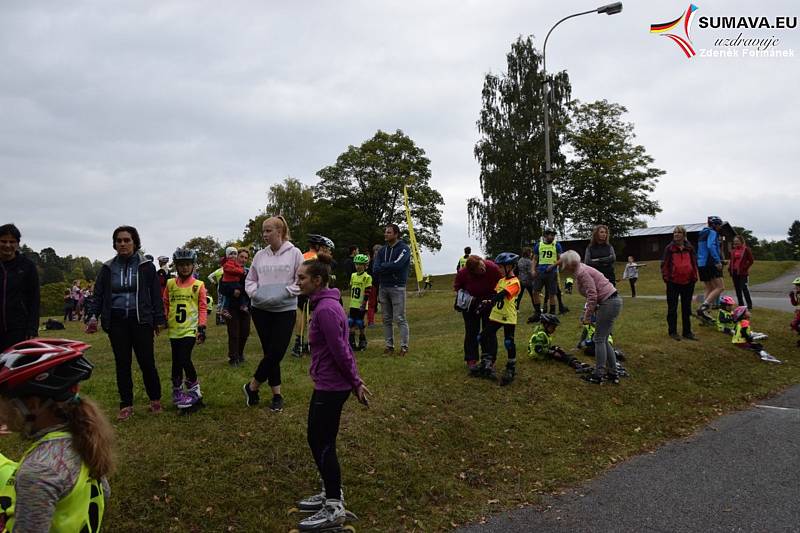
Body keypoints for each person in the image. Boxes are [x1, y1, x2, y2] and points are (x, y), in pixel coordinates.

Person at [0, 338, 113, 531]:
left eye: (3, 401)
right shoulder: (82, 437)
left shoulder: (38, 471)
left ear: (33, 404)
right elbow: (105, 493)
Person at [293, 253, 370, 531]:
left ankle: (334, 505)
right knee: (318, 439)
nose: (298, 281)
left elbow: (341, 350)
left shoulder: (325, 309)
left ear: (318, 280)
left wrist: (355, 382)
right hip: (327, 383)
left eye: (302, 277)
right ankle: (329, 492)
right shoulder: (325, 303)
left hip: (332, 386)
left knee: (321, 441)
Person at [85, 225, 165, 420]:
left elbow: (156, 295)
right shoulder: (107, 268)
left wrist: (159, 319)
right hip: (117, 321)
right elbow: (98, 294)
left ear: (135, 242)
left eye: (127, 240)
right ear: (114, 244)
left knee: (147, 362)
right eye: (119, 240)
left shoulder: (147, 266)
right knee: (122, 363)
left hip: (141, 320)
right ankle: (126, 404)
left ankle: (155, 399)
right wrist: (92, 316)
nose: (123, 243)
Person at [243, 216, 303, 412]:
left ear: (280, 231)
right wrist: (254, 293)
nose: (265, 234)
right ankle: (277, 395)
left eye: (268, 230)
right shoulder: (260, 255)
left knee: (277, 351)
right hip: (260, 310)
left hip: (284, 309)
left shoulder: (295, 253)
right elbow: (250, 279)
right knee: (270, 352)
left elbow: (300, 280)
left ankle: (252, 386)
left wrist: (285, 293)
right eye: (263, 231)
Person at [558, 250, 622, 384]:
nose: (564, 267)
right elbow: (593, 294)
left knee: (599, 339)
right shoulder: (581, 270)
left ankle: (598, 375)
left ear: (570, 263)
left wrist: (587, 315)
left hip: (608, 302)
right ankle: (612, 373)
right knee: (603, 339)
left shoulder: (581, 272)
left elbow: (592, 295)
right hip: (612, 301)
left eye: (565, 263)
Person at [163, 248, 207, 411]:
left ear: (193, 266)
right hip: (174, 330)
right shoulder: (170, 284)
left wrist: (201, 327)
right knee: (176, 361)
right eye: (181, 265)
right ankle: (177, 391)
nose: (184, 268)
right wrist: (165, 318)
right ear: (176, 266)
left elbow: (202, 307)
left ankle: (195, 391)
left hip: (190, 330)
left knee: (184, 359)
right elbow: (166, 302)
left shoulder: (198, 285)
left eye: (188, 264)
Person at [470, 252, 520, 386]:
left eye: (500, 267)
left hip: (508, 317)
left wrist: (491, 301)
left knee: (509, 342)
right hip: (496, 315)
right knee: (482, 337)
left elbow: (502, 295)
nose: (498, 269)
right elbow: (495, 293)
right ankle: (486, 362)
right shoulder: (501, 281)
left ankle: (511, 367)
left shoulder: (515, 283)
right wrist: (486, 301)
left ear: (509, 266)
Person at [453, 255, 502, 369]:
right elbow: (457, 287)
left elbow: (502, 282)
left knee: (489, 331)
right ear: (472, 271)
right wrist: (464, 297)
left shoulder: (492, 267)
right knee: (471, 331)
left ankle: (489, 358)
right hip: (471, 305)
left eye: (482, 265)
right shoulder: (463, 273)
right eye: (479, 268)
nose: (483, 268)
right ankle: (471, 359)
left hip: (489, 302)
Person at [0, 224, 40, 353]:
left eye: (12, 241)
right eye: (3, 241)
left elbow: (34, 299)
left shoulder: (27, 266)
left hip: (18, 328)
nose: (7, 245)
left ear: (17, 243)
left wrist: (32, 328)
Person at [292, 235, 334, 357]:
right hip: (312, 290)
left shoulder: (303, 255)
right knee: (312, 317)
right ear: (318, 246)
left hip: (301, 289)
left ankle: (298, 343)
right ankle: (311, 342)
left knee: (301, 315)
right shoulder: (317, 259)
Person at [373, 224, 411, 356]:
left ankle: (404, 347)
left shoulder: (404, 249)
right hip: (383, 287)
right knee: (386, 319)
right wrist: (387, 267)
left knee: (400, 318)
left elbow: (398, 265)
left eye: (389, 232)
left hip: (397, 287)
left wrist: (384, 267)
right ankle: (389, 346)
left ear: (396, 234)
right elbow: (375, 268)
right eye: (385, 232)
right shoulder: (382, 251)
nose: (386, 234)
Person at [661, 225, 700, 342]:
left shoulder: (690, 248)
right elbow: (664, 264)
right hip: (673, 282)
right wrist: (667, 278)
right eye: (674, 232)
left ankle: (687, 332)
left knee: (686, 308)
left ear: (684, 235)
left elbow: (694, 262)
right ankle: (673, 331)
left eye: (679, 232)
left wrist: (694, 276)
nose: (676, 234)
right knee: (672, 308)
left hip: (689, 282)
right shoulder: (669, 248)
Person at [528, 314, 592, 373]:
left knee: (558, 350)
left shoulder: (543, 333)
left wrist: (554, 348)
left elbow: (544, 346)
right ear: (546, 325)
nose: (554, 329)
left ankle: (575, 362)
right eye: (553, 327)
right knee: (559, 355)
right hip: (539, 356)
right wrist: (552, 352)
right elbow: (538, 349)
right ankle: (575, 364)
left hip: (542, 353)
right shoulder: (541, 334)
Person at [529, 227, 563, 322]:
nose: (552, 237)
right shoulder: (538, 245)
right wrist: (532, 270)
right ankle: (537, 313)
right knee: (535, 292)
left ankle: (552, 314)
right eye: (550, 235)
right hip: (540, 272)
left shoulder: (557, 245)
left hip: (552, 273)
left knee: (552, 294)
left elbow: (560, 259)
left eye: (553, 235)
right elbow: (535, 259)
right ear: (545, 235)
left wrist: (553, 266)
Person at [226, 249, 252, 366]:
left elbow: (252, 287)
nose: (243, 260)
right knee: (234, 333)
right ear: (237, 257)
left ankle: (240, 354)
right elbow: (222, 288)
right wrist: (232, 291)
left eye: (246, 258)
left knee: (245, 332)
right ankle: (233, 357)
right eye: (241, 257)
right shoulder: (229, 271)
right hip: (232, 306)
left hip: (245, 306)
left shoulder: (248, 272)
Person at [696, 216, 725, 319]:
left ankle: (705, 314)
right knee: (720, 287)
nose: (720, 227)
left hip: (701, 263)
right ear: (715, 225)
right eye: (719, 225)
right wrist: (717, 261)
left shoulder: (702, 233)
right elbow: (710, 246)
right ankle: (703, 308)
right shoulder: (712, 232)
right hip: (710, 262)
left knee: (709, 288)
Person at [347, 254, 372, 352]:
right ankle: (351, 342)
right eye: (356, 264)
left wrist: (364, 303)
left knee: (360, 323)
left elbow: (367, 291)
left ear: (365, 266)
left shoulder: (367, 277)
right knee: (350, 322)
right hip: (353, 304)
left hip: (361, 304)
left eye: (360, 264)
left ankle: (362, 340)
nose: (358, 266)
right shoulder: (353, 276)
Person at [218, 246, 245, 320]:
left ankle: (242, 305)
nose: (233, 256)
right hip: (229, 282)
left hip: (234, 282)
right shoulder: (227, 263)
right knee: (227, 297)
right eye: (231, 254)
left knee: (241, 290)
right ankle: (224, 309)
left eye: (234, 254)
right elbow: (233, 270)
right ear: (227, 255)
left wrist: (240, 270)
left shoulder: (236, 264)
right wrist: (241, 271)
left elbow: (238, 268)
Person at [728, 235, 754, 309]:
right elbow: (732, 261)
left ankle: (749, 305)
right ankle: (741, 305)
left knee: (744, 288)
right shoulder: (733, 251)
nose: (736, 243)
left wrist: (745, 268)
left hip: (743, 273)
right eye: (735, 242)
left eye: (737, 241)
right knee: (737, 289)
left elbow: (751, 260)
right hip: (734, 272)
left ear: (741, 241)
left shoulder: (746, 249)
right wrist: (730, 269)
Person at [366, 244, 382, 327]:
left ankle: (386, 321)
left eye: (378, 251)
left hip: (382, 284)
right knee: (371, 304)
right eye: (375, 251)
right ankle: (371, 322)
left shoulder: (383, 262)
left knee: (384, 303)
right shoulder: (371, 262)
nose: (376, 253)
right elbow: (368, 274)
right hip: (373, 285)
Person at [790, 277, 800, 347]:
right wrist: (792, 296)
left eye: (798, 285)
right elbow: (795, 303)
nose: (796, 287)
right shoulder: (797, 293)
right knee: (793, 325)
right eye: (795, 285)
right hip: (799, 313)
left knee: (794, 324)